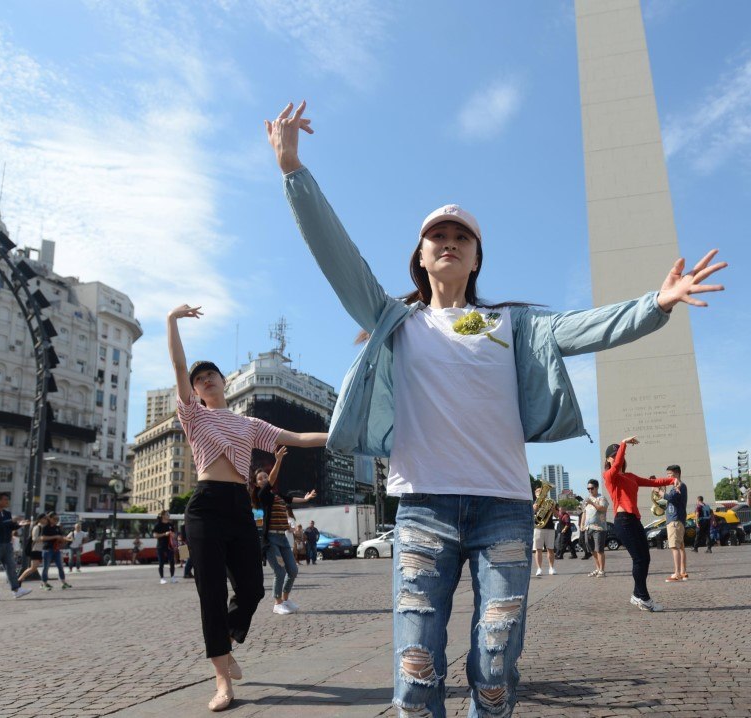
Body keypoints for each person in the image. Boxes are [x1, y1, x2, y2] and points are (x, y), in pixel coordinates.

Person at [270, 99, 725, 717]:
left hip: (504, 511)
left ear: (477, 257)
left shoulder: (512, 324)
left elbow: (589, 327)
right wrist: (293, 168)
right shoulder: (394, 322)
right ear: (421, 257)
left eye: (463, 237)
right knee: (416, 666)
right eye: (438, 236)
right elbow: (337, 256)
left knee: (494, 661)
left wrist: (658, 303)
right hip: (424, 507)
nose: (450, 243)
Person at [168, 302, 327, 712]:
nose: (205, 381)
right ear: (195, 389)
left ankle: (227, 639)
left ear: (224, 381)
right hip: (204, 506)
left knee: (254, 589)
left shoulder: (250, 425)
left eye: (210, 376)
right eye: (198, 379)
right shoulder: (194, 417)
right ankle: (223, 679)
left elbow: (298, 438)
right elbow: (178, 363)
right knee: (210, 594)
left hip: (238, 507)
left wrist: (340, 435)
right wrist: (172, 321)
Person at [605, 438, 678, 610]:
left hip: (634, 520)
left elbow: (653, 482)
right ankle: (643, 598)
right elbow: (615, 467)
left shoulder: (630, 477)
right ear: (608, 459)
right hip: (623, 521)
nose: (617, 458)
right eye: (613, 456)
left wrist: (673, 481)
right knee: (638, 559)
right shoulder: (609, 476)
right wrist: (623, 444)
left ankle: (637, 595)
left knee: (645, 559)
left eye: (618, 455)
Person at [254, 446, 317, 615]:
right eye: (260, 478)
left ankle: (286, 600)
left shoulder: (278, 496)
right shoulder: (263, 495)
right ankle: (277, 603)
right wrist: (278, 460)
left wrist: (306, 498)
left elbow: (291, 499)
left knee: (293, 570)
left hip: (282, 538)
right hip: (270, 540)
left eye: (265, 476)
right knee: (280, 571)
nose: (264, 479)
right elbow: (272, 479)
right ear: (257, 483)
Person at [0, 493, 32, 601]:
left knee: (11, 567)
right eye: (5, 500)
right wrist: (12, 520)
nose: (7, 502)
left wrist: (19, 524)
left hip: (7, 544)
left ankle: (16, 590)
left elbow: (9, 527)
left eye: (8, 500)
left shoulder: (7, 513)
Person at [663, 465, 689, 582]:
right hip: (678, 519)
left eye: (671, 475)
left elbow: (670, 497)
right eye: (667, 475)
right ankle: (683, 572)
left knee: (674, 547)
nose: (669, 477)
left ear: (677, 474)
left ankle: (677, 573)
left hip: (674, 520)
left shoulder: (679, 486)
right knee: (681, 547)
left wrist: (659, 492)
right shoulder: (677, 486)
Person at [581, 479, 609, 577]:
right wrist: (582, 524)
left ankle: (602, 570)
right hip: (588, 528)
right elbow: (584, 512)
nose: (590, 490)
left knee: (599, 550)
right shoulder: (586, 499)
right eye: (588, 488)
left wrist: (592, 503)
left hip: (599, 528)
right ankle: (597, 569)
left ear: (596, 488)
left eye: (591, 488)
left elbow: (603, 508)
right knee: (592, 550)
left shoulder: (601, 498)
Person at [40, 511, 71, 590]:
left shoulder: (57, 528)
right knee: (46, 567)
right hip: (47, 549)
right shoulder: (45, 527)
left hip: (56, 549)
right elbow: (42, 538)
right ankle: (44, 583)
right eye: (54, 519)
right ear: (49, 518)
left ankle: (64, 582)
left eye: (57, 519)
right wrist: (55, 537)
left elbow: (61, 537)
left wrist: (66, 539)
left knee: (60, 566)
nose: (56, 520)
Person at [532, 497, 558, 578]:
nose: (541, 494)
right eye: (538, 492)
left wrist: (553, 509)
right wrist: (535, 509)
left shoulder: (551, 502)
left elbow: (557, 516)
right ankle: (539, 568)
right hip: (538, 528)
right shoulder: (535, 502)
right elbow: (530, 514)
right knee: (538, 549)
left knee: (550, 549)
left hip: (550, 528)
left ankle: (551, 568)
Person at [17, 516, 46, 585]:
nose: (46, 520)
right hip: (36, 549)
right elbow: (34, 539)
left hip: (40, 549)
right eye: (44, 518)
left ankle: (44, 582)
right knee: (33, 568)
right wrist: (44, 538)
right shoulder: (37, 527)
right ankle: (19, 580)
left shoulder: (43, 527)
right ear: (40, 519)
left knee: (38, 567)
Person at [155, 511, 179, 584]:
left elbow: (175, 536)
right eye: (167, 514)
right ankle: (162, 578)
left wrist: (172, 534)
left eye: (169, 514)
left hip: (170, 546)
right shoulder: (158, 525)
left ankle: (172, 577)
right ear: (163, 516)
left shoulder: (170, 525)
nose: (169, 515)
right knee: (161, 563)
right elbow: (155, 535)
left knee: (172, 562)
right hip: (160, 546)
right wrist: (165, 534)